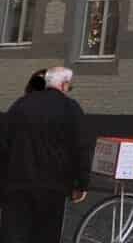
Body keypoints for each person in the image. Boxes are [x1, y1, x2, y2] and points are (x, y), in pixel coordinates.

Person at [0, 63, 89, 243]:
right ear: (64, 85)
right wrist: (81, 183)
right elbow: (81, 148)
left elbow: (3, 144)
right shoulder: (71, 108)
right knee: (46, 235)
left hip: (17, 184)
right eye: (69, 87)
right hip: (53, 187)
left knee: (13, 235)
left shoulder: (21, 104)